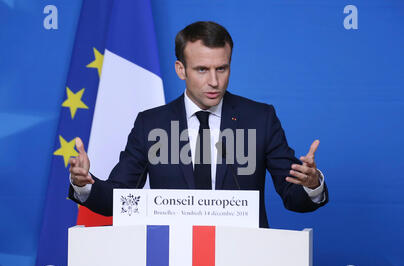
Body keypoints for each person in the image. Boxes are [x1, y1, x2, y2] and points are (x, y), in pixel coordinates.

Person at [69, 21, 328, 228]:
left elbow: (294, 199)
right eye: (202, 70)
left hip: (246, 260)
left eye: (222, 69)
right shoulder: (151, 124)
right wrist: (85, 185)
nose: (214, 81)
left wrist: (311, 184)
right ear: (181, 70)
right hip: (172, 260)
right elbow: (121, 199)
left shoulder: (260, 118)